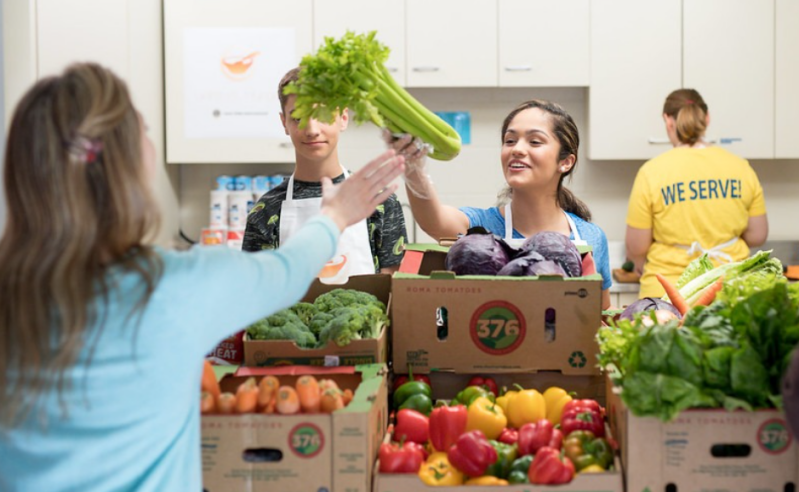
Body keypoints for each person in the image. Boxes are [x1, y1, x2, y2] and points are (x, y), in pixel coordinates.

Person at [0, 62, 404, 491]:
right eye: (144, 129)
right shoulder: (173, 286)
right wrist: (336, 215)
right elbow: (286, 273)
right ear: (130, 164)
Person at [392, 99, 613, 309]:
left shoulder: (591, 237)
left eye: (534, 141)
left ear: (565, 162)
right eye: (510, 140)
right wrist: (413, 168)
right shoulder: (481, 227)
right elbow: (434, 221)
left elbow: (599, 311)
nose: (516, 149)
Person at [242, 67, 408, 275]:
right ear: (284, 123)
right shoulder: (265, 211)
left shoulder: (379, 201)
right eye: (298, 118)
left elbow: (392, 290)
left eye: (322, 115)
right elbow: (258, 292)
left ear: (343, 118)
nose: (312, 130)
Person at [625, 88, 768, 298]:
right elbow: (758, 235)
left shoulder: (651, 172)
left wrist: (637, 262)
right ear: (707, 118)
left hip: (670, 294)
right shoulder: (741, 167)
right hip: (731, 287)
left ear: (668, 121)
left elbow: (637, 246)